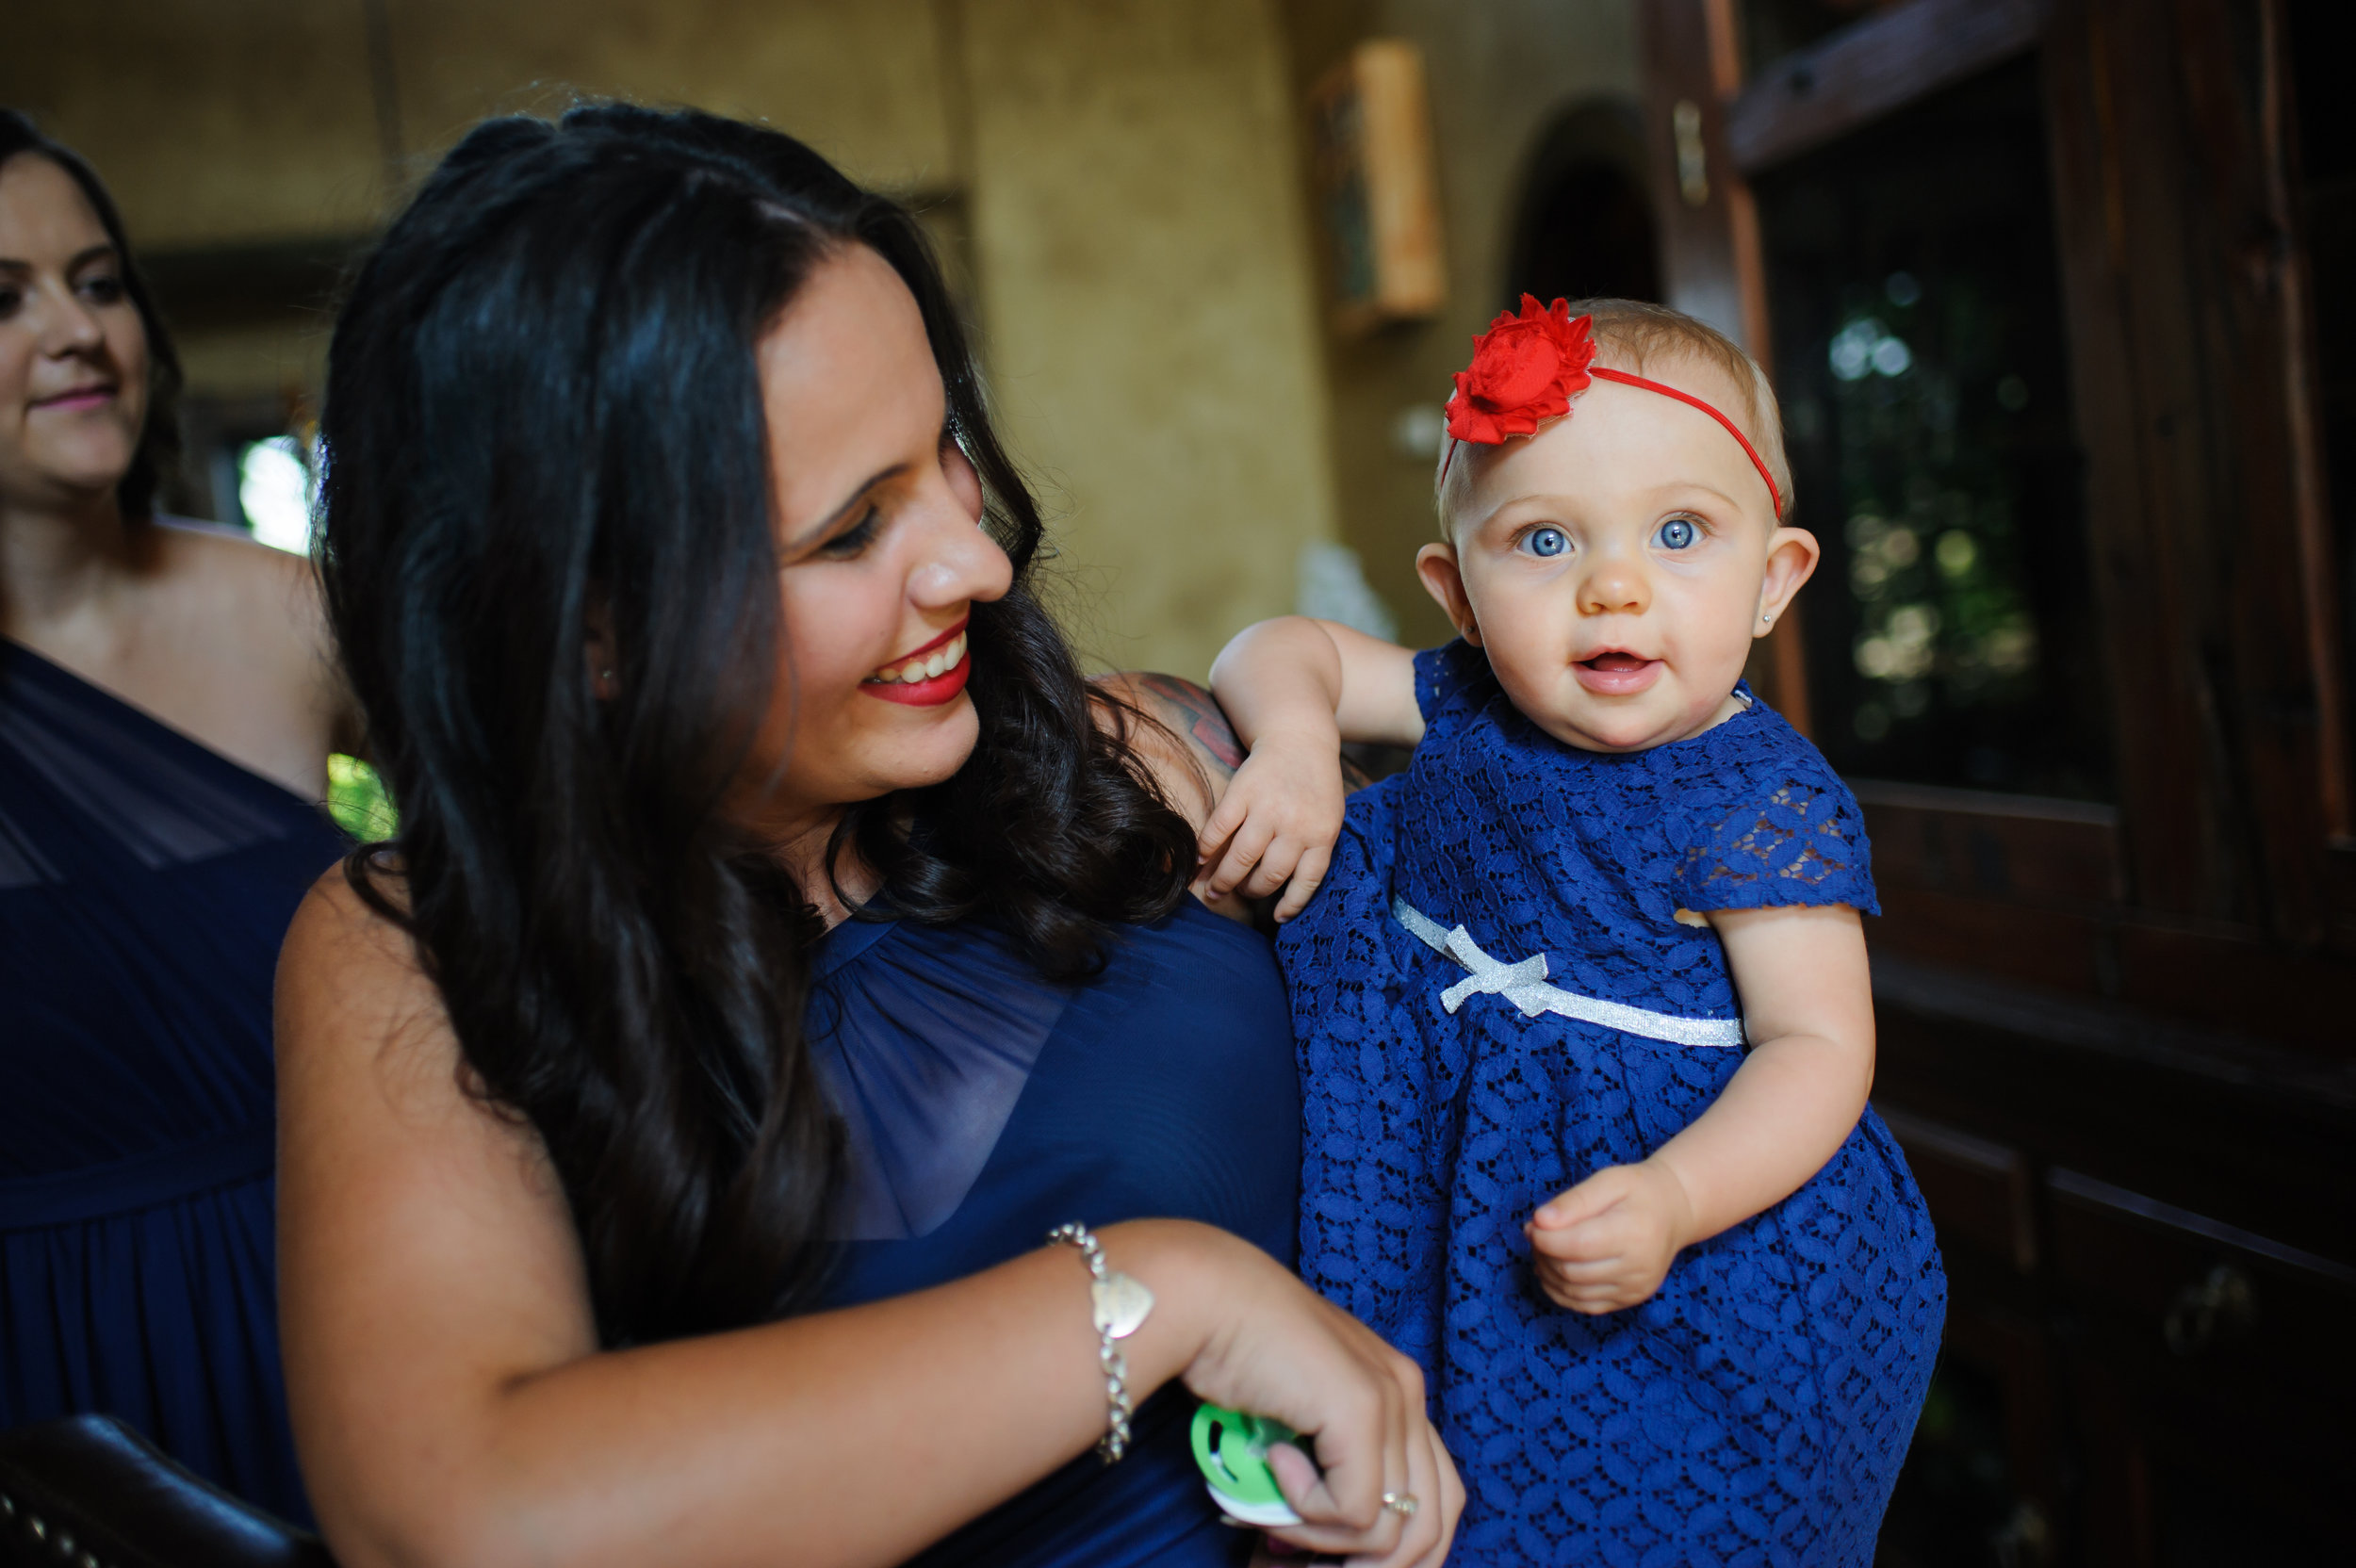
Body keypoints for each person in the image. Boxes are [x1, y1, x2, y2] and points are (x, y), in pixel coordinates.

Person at [273, 104, 1461, 1568]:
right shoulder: (417, 952)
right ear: (591, 631)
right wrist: (1161, 1301)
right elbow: (461, 1514)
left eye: (944, 451)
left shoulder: (1139, 752)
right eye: (851, 531)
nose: (974, 559)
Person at [1201, 297, 1946, 1564]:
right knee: (1436, 1463)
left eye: (1678, 532)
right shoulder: (1473, 699)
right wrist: (1294, 740)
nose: (1613, 585)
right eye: (1542, 539)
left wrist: (1673, 1195)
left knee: (1650, 1500)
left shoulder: (1761, 801)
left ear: (1775, 579)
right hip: (1449, 1146)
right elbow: (1277, 647)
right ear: (1460, 590)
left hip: (1688, 1209)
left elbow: (1818, 1049)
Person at [0, 110, 351, 1523]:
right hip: (46, 1389)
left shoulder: (288, 610)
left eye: (99, 281)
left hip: (348, 1297)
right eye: (1, 297)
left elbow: (564, 806)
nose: (78, 330)